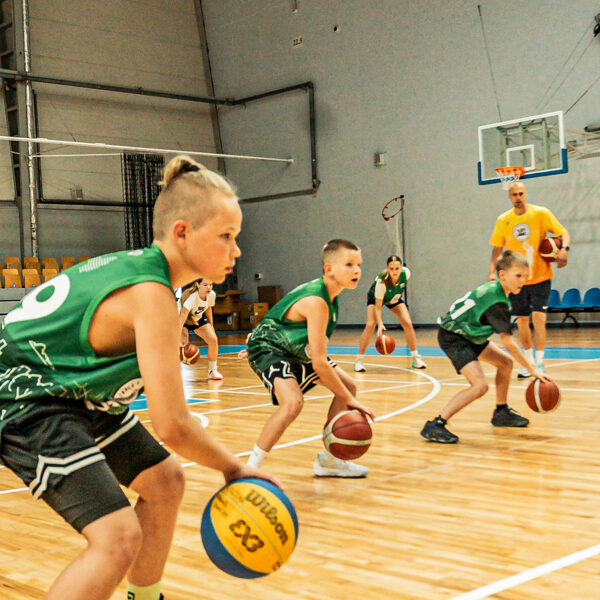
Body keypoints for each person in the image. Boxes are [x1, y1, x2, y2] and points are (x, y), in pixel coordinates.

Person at [0, 155, 280, 600]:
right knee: (117, 537)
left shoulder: (150, 277)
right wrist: (234, 467)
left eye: (236, 237)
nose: (237, 250)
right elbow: (173, 426)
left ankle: (146, 597)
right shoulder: (150, 294)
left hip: (76, 393)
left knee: (165, 483)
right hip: (27, 399)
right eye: (226, 236)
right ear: (182, 232)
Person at [245, 239, 375, 478]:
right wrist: (350, 401)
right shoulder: (317, 301)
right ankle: (249, 468)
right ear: (329, 269)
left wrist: (347, 395)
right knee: (293, 403)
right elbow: (319, 363)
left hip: (292, 348)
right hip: (270, 347)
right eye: (349, 264)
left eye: (359, 264)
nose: (357, 270)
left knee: (348, 385)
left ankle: (330, 462)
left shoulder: (330, 296)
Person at [421, 250, 553, 444]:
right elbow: (509, 343)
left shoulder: (498, 291)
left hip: (469, 334)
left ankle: (501, 412)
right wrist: (533, 370)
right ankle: (436, 424)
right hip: (454, 337)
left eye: (524, 276)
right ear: (502, 275)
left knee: (505, 363)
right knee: (480, 386)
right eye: (518, 276)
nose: (522, 281)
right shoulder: (496, 300)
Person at [488, 181, 570, 377]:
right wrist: (492, 271)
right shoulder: (503, 219)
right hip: (517, 280)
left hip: (540, 276)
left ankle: (540, 362)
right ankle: (528, 362)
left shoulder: (540, 213)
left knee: (539, 319)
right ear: (510, 197)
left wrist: (564, 251)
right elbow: (497, 248)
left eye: (521, 193)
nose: (518, 197)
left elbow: (563, 233)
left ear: (526, 194)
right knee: (522, 321)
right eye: (514, 194)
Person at [353, 255, 426, 372]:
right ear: (387, 268)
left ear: (401, 267)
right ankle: (359, 360)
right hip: (376, 298)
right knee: (370, 324)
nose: (394, 271)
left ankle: (416, 358)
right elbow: (378, 307)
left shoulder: (406, 273)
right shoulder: (381, 282)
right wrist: (380, 323)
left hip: (393, 298)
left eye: (397, 268)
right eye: (391, 269)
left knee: (408, 323)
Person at [177, 278, 223, 380]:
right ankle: (173, 373)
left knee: (213, 339)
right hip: (182, 318)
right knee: (182, 346)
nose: (209, 287)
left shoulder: (212, 295)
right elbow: (183, 316)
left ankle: (213, 371)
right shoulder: (192, 298)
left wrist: (211, 326)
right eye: (205, 285)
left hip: (198, 317)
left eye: (210, 285)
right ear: (197, 284)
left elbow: (208, 308)